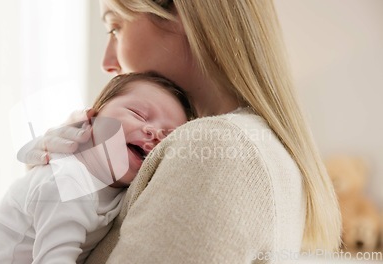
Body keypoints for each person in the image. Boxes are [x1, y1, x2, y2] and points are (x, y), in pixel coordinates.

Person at [18, 0, 342, 263]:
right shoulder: (247, 144)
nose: (107, 62)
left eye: (115, 26)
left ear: (181, 12)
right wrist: (61, 179)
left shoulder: (215, 149)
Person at [0, 72, 196, 264]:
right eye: (138, 114)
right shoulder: (66, 181)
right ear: (92, 117)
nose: (154, 133)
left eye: (168, 136)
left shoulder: (121, 192)